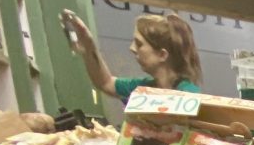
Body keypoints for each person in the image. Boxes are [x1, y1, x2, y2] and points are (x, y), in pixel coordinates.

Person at [62, 9, 202, 99]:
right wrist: (89, 47)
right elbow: (106, 82)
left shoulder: (188, 96)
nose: (132, 48)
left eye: (139, 44)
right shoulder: (144, 88)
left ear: (162, 55)